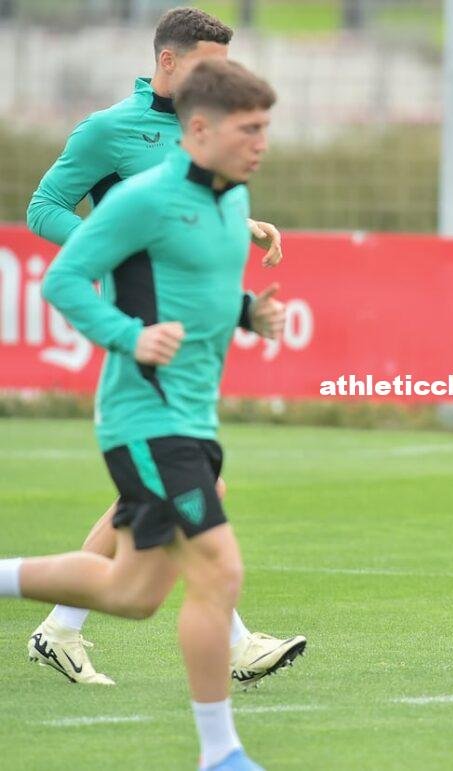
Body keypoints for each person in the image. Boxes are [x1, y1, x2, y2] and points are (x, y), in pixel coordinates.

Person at [2, 57, 281, 771]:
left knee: (133, 592)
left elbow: (202, 288)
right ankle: (221, 754)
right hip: (144, 415)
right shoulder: (143, 199)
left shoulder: (231, 202)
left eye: (265, 128)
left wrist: (249, 312)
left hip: (192, 420)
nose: (261, 143)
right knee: (219, 570)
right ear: (198, 128)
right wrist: (128, 335)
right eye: (248, 129)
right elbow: (63, 278)